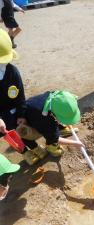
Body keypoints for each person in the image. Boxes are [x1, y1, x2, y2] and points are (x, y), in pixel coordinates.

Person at [0, 28, 43, 166]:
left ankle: (35, 147)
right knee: (9, 135)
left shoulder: (12, 72)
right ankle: (25, 152)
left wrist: (21, 115)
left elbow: (20, 97)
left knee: (21, 129)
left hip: (13, 111)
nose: (3, 65)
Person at [19, 90, 84, 165]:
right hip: (26, 122)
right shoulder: (43, 119)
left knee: (53, 123)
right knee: (31, 134)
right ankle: (50, 146)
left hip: (37, 108)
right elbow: (55, 138)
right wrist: (75, 143)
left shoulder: (56, 97)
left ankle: (60, 129)